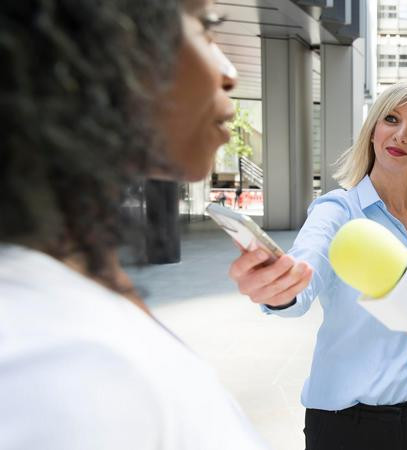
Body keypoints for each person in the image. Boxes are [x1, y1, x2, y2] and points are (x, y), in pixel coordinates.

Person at [0, 1, 269, 449]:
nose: (229, 73)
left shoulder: (70, 295)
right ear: (109, 40)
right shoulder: (65, 370)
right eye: (207, 27)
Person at [228, 80, 407, 450]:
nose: (401, 134)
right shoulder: (338, 211)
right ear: (374, 130)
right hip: (350, 428)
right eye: (391, 119)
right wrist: (279, 290)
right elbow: (302, 277)